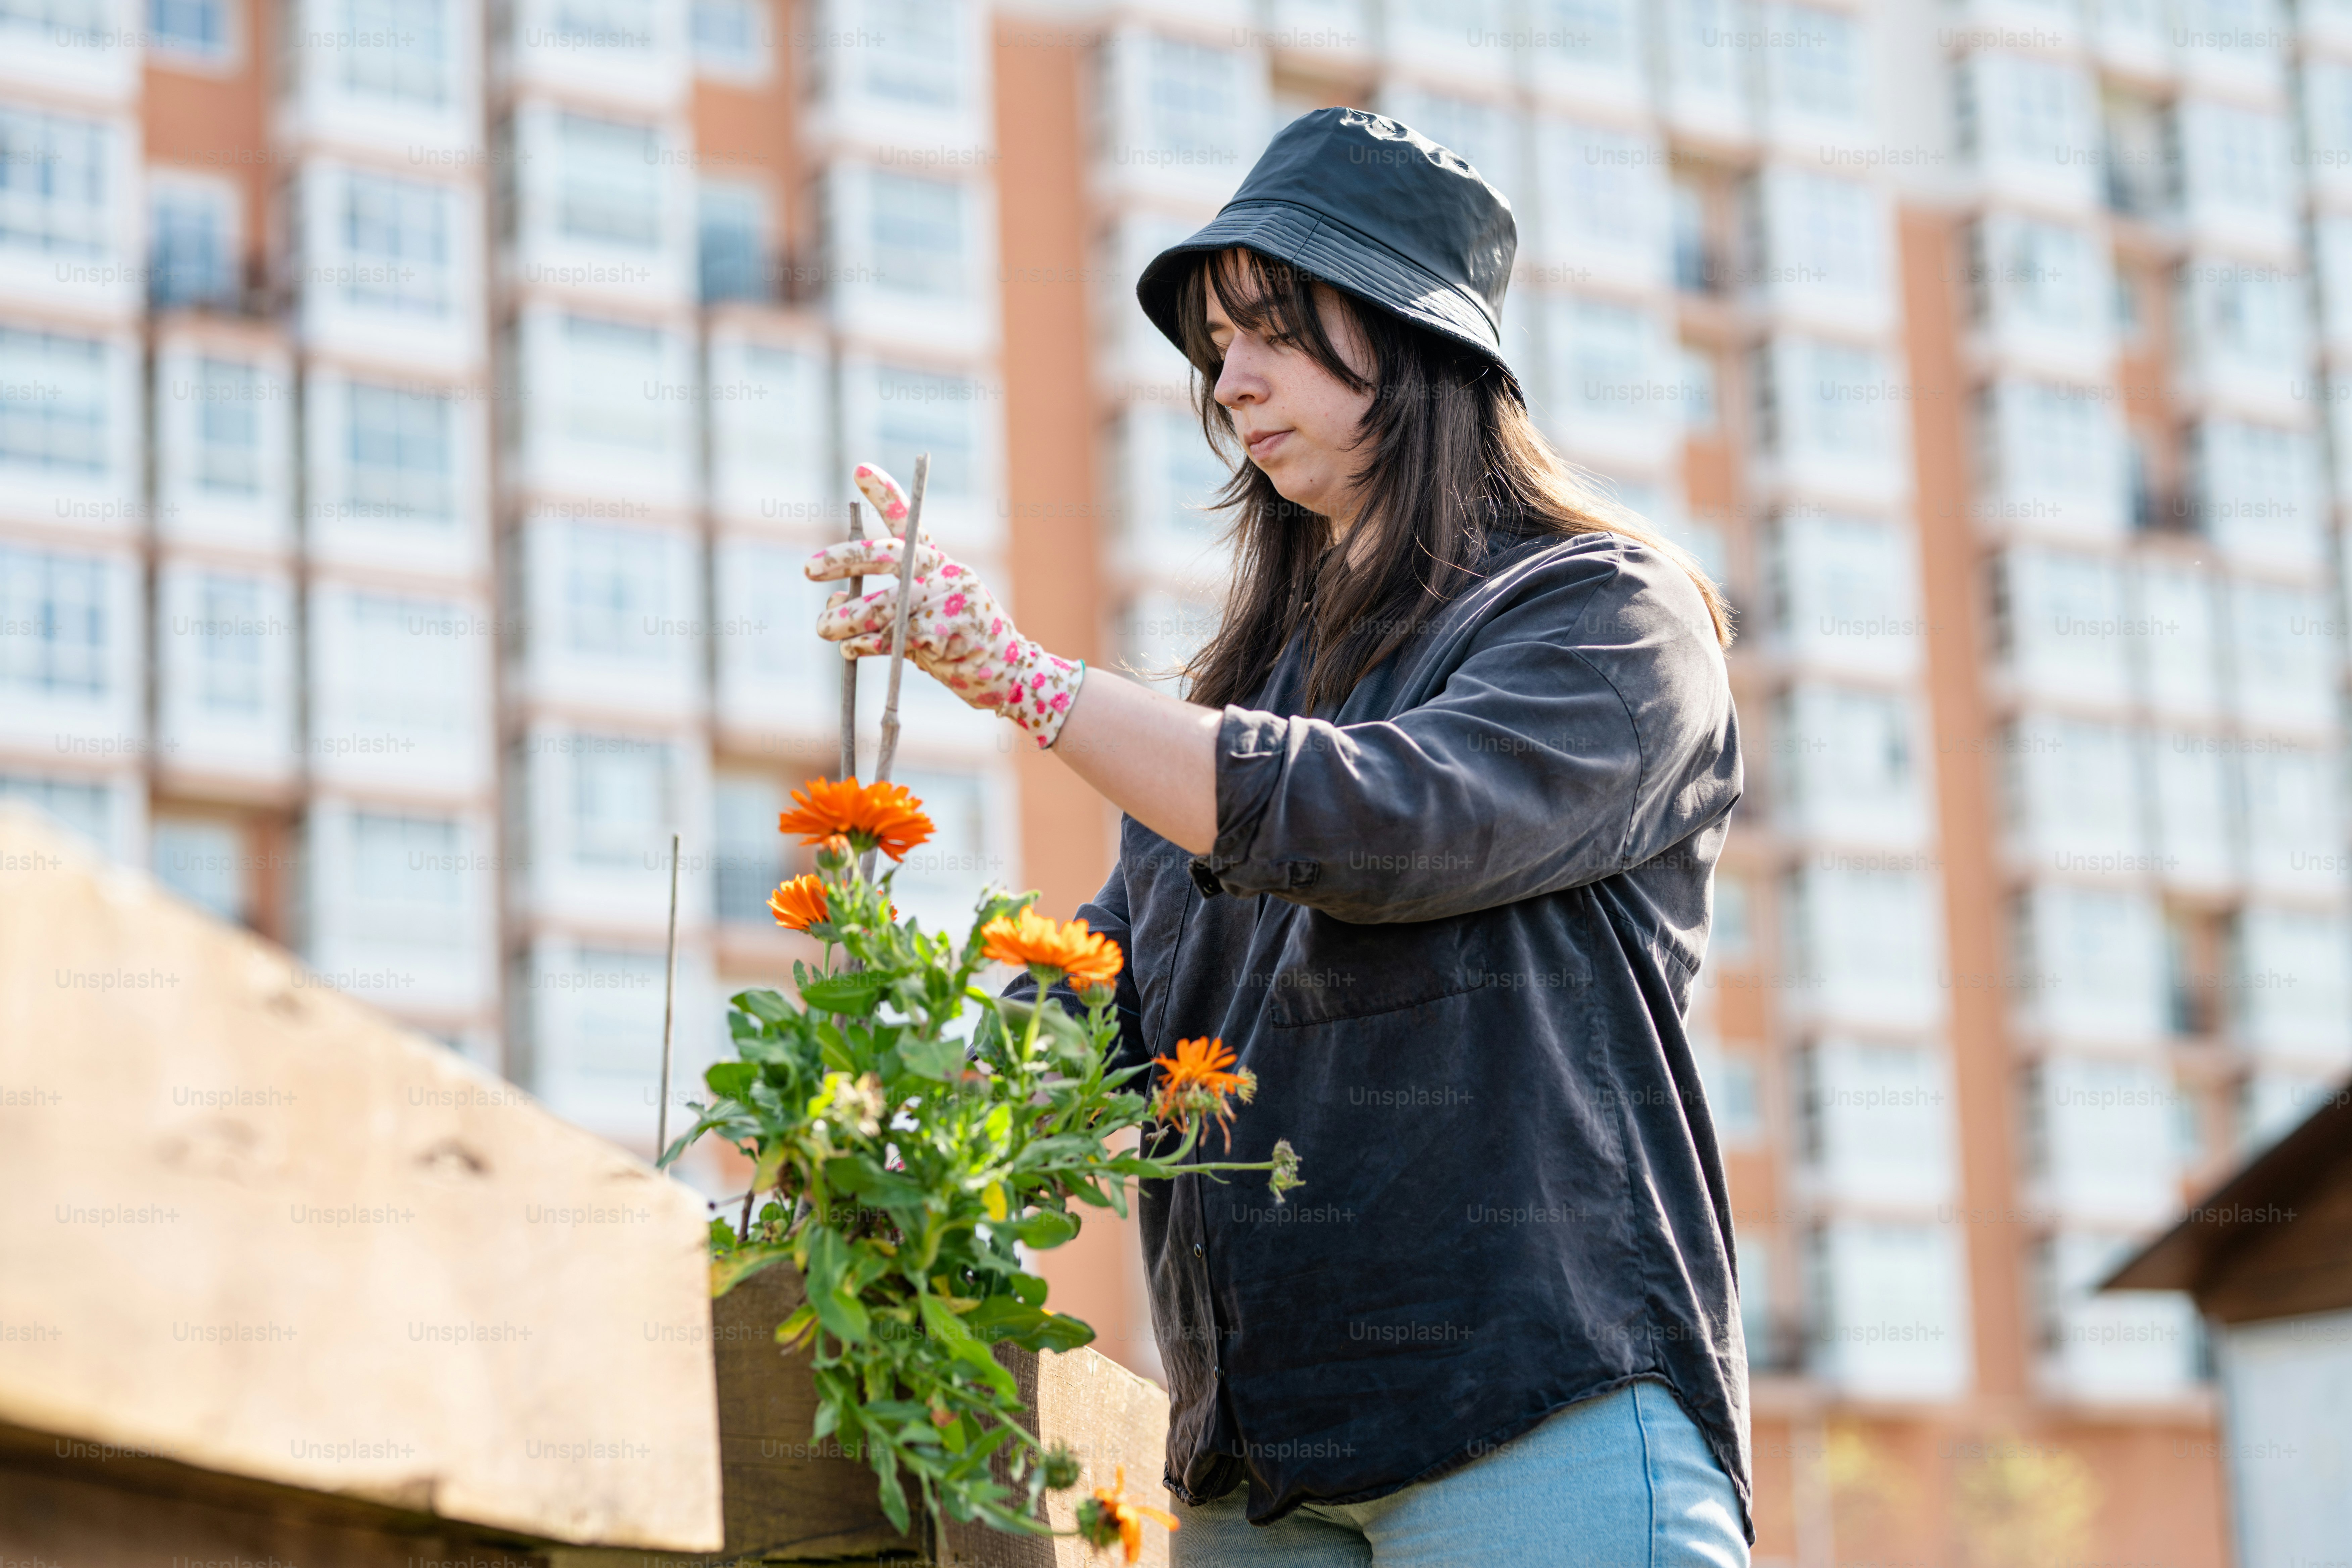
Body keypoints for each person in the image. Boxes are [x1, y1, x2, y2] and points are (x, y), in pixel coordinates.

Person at [806, 107, 1749, 1568]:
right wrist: (880, 1126)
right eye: (1216, 345)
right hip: (1258, 1473)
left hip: (1537, 1408)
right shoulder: (1243, 709)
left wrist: (1018, 676)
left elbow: (1389, 822)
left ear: (1417, 344)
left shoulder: (1609, 615)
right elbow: (1089, 996)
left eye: (1277, 331)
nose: (1232, 380)